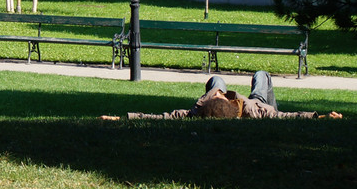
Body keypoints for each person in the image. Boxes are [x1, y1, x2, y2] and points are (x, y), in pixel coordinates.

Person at [126, 71, 327, 120]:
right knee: (261, 75)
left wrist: (128, 117)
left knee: (216, 80)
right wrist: (320, 116)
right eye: (219, 96)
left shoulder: (197, 111)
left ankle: (216, 82)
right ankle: (270, 100)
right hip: (258, 102)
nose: (219, 94)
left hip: (246, 104)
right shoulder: (253, 111)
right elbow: (286, 117)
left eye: (217, 96)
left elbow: (165, 117)